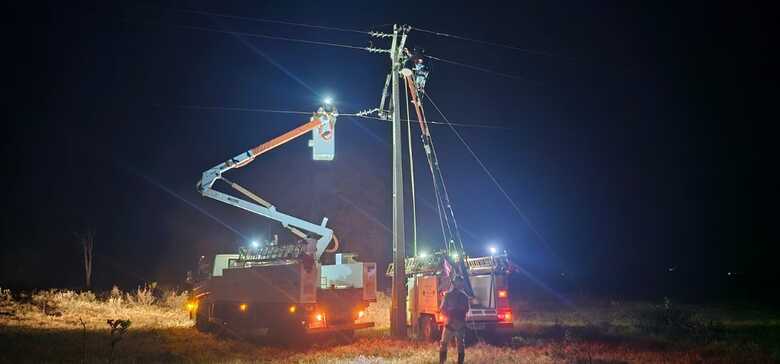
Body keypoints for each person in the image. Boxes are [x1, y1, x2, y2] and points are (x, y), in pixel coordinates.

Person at [439, 275, 470, 364]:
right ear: (454, 283)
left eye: (460, 282)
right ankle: (442, 362)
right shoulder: (448, 295)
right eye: (457, 282)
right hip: (449, 323)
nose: (459, 284)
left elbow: (466, 309)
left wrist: (458, 311)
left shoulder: (464, 296)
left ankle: (460, 362)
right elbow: (442, 309)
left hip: (460, 323)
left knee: (460, 345)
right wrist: (449, 313)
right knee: (444, 343)